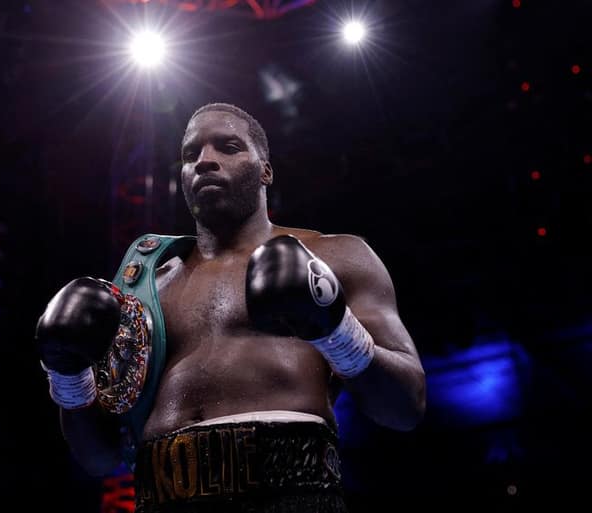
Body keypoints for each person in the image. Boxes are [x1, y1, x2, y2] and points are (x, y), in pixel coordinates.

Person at [35, 103, 426, 513]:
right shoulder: (145, 289)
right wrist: (68, 375)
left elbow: (405, 406)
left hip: (290, 496)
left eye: (228, 146)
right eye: (191, 154)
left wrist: (334, 326)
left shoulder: (335, 256)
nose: (205, 161)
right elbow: (98, 458)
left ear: (265, 170)